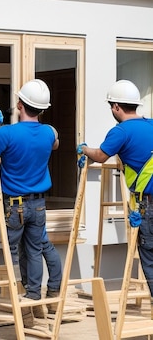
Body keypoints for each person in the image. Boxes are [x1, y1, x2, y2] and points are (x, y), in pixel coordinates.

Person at [0, 78, 60, 326]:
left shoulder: (7, 133)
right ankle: (33, 296)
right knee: (34, 252)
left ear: (20, 105)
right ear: (42, 109)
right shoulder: (47, 133)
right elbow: (55, 142)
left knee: (10, 253)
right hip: (38, 205)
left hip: (16, 206)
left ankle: (22, 306)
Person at [79, 79, 153, 295]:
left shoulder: (120, 131)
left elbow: (101, 156)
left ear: (116, 107)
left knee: (149, 258)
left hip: (146, 206)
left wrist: (84, 149)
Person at [19, 227, 62, 316]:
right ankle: (53, 290)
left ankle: (33, 295)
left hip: (23, 214)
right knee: (44, 244)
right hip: (38, 214)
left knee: (31, 249)